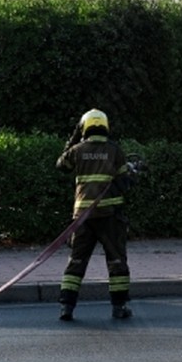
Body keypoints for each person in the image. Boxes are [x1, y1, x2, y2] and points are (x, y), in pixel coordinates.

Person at [56, 108, 135, 321]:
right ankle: (119, 307)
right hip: (110, 217)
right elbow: (123, 183)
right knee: (117, 261)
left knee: (77, 261)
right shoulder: (115, 150)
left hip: (82, 218)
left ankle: (66, 307)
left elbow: (61, 164)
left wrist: (74, 137)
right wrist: (131, 174)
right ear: (106, 126)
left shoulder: (78, 150)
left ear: (85, 127)